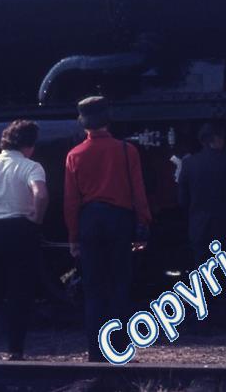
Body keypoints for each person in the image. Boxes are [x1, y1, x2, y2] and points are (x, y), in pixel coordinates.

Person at [64, 96, 152, 362]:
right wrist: (143, 223)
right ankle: (119, 349)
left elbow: (71, 200)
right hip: (119, 219)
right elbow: (138, 191)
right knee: (120, 285)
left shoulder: (74, 155)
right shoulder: (127, 150)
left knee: (93, 289)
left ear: (83, 123)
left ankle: (95, 351)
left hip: (89, 220)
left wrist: (73, 236)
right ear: (107, 119)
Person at [0, 120, 48, 361]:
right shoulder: (31, 167)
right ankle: (15, 348)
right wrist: (36, 219)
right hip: (19, 229)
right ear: (28, 145)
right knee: (19, 291)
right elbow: (40, 195)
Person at [178, 123, 226, 300]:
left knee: (203, 271)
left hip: (200, 225)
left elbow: (183, 200)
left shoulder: (189, 164)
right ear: (217, 139)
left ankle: (207, 308)